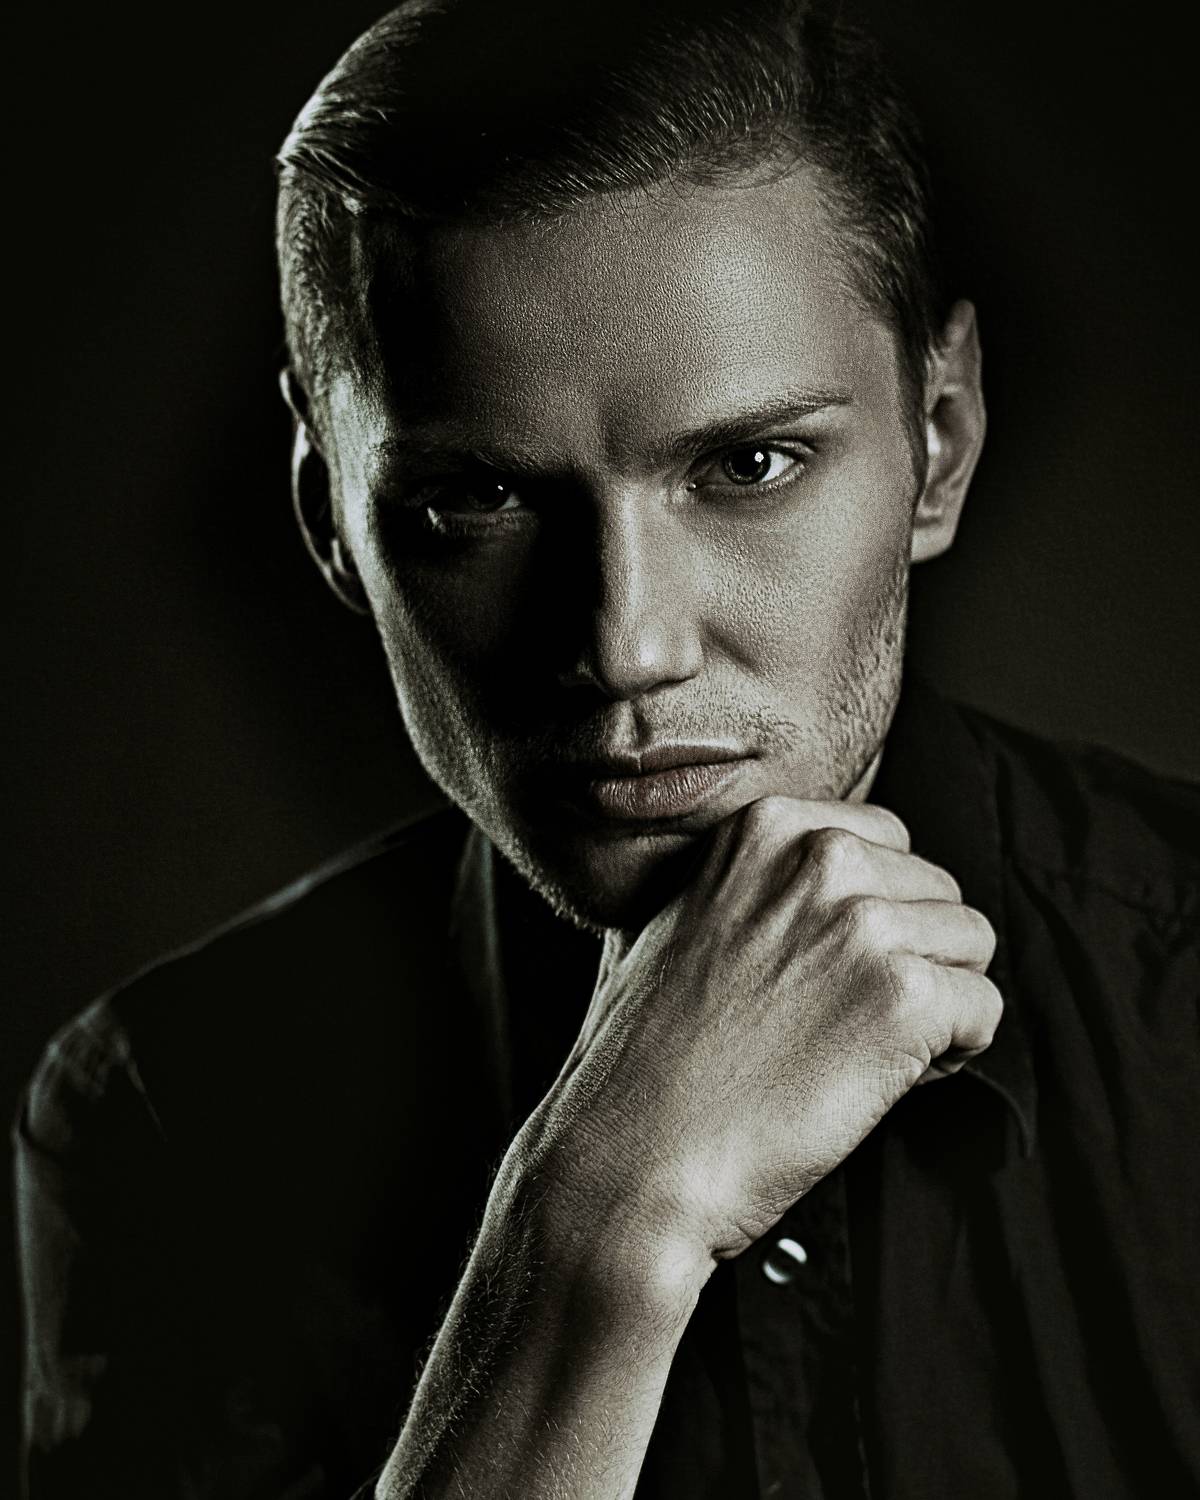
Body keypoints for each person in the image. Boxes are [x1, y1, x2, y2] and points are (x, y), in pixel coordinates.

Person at [14, 0, 1199, 1496]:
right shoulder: (168, 1115)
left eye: (748, 464)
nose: (627, 645)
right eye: (476, 502)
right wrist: (597, 1227)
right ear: (331, 521)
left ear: (940, 440)